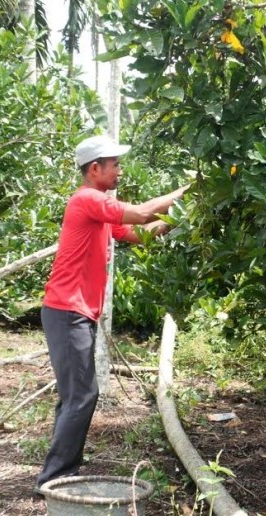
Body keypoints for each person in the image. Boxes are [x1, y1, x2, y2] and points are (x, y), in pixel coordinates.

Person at [36, 135, 189, 488]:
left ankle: (59, 473)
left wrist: (185, 218)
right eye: (115, 165)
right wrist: (184, 192)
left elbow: (140, 232)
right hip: (66, 311)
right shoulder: (87, 199)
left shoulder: (100, 211)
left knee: (75, 396)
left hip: (74, 313)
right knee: (83, 396)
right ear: (95, 169)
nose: (120, 171)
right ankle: (56, 477)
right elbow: (140, 212)